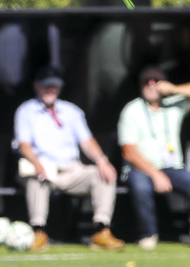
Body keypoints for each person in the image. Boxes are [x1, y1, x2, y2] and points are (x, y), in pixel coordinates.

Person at [118, 67, 190, 250]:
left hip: (171, 168)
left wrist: (174, 90)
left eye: (155, 82)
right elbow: (129, 152)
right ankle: (148, 235)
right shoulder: (132, 110)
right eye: (147, 82)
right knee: (141, 187)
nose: (151, 85)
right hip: (140, 169)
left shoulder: (173, 106)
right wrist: (155, 174)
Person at [14, 67, 124, 251]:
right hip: (43, 168)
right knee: (37, 178)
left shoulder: (72, 111)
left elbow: (87, 141)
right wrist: (37, 163)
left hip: (72, 170)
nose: (51, 89)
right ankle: (39, 232)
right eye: (46, 85)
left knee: (103, 174)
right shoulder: (26, 111)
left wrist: (102, 161)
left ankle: (101, 231)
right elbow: (23, 145)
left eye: (54, 86)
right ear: (36, 86)